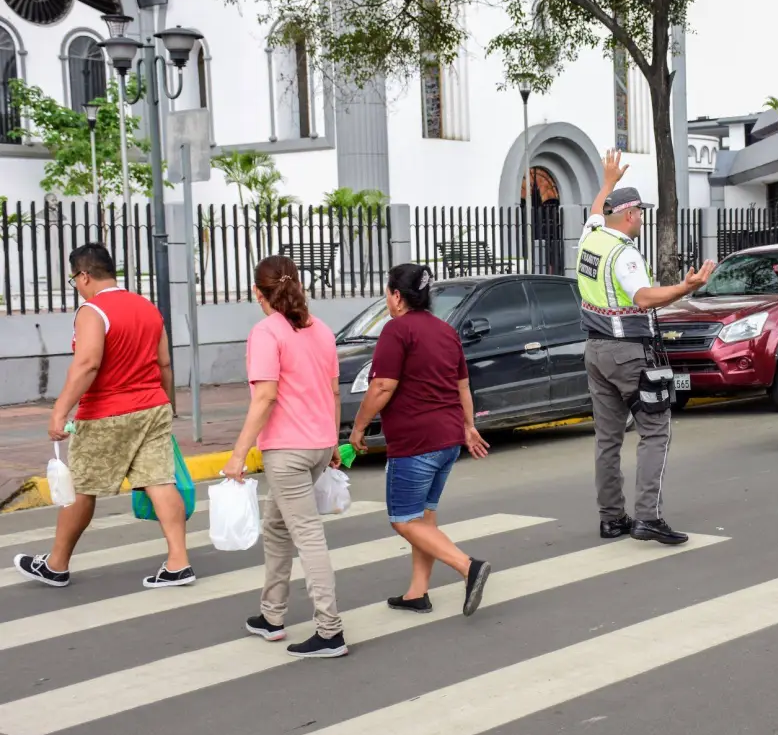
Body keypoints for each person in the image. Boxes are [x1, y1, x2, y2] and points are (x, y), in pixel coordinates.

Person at [14, 243, 194, 589]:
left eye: (74, 280)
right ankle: (178, 562)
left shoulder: (92, 311)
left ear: (83, 275)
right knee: (159, 479)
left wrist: (60, 410)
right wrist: (168, 405)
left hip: (105, 411)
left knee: (81, 486)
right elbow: (165, 363)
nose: (76, 287)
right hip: (153, 406)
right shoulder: (147, 308)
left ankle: (56, 564)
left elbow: (88, 363)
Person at [578, 149, 716, 546]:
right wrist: (686, 287)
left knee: (607, 439)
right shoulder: (624, 253)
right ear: (630, 215)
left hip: (595, 350)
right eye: (639, 213)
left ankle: (611, 519)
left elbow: (593, 211)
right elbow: (643, 298)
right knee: (655, 430)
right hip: (626, 352)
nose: (641, 219)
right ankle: (647, 518)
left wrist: (607, 182)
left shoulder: (592, 238)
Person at [222, 255, 347, 659]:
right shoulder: (322, 330)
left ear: (258, 292)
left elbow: (265, 396)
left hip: (288, 451)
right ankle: (271, 616)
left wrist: (239, 454)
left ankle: (330, 631)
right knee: (276, 526)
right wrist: (331, 443)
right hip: (317, 446)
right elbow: (333, 392)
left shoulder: (265, 332)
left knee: (306, 534)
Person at [349, 264, 491, 617]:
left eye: (387, 293)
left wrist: (358, 427)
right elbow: (462, 386)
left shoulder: (396, 331)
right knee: (424, 519)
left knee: (403, 520)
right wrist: (468, 426)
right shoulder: (446, 331)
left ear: (397, 296)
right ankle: (417, 593)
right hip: (447, 440)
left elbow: (382, 386)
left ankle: (467, 566)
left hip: (416, 441)